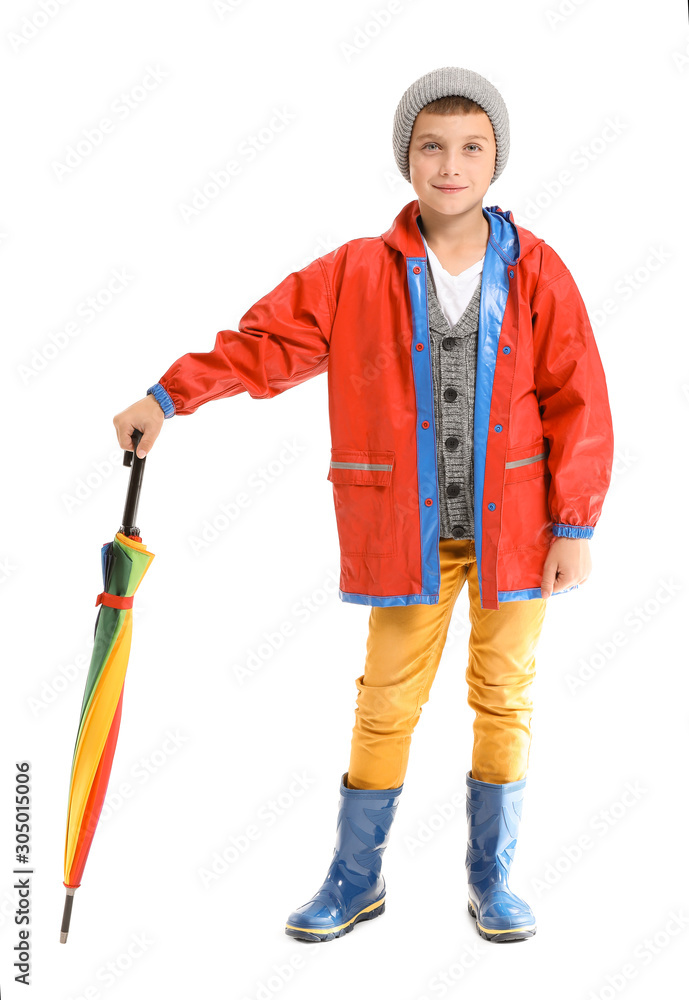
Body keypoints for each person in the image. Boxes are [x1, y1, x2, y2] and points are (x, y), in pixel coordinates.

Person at [113, 66, 614, 944]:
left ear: (497, 158)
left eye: (470, 147)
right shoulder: (356, 270)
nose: (449, 164)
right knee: (384, 700)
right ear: (405, 159)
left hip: (517, 536)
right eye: (431, 146)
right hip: (405, 534)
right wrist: (168, 397)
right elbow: (262, 345)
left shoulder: (536, 268)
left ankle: (490, 883)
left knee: (504, 696)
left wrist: (573, 523)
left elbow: (579, 397)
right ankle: (355, 880)